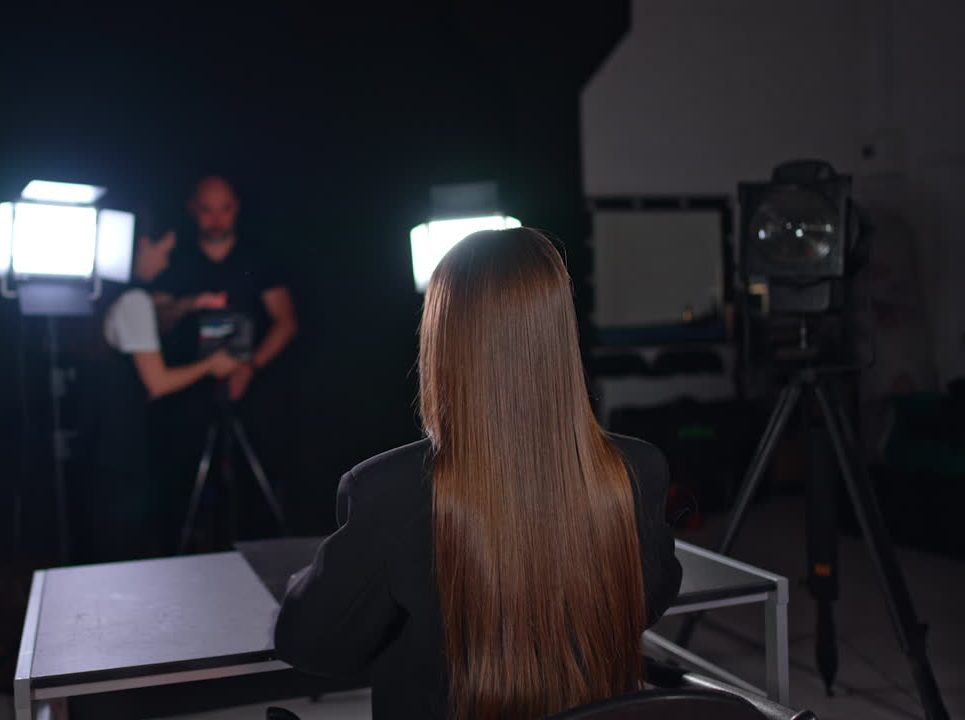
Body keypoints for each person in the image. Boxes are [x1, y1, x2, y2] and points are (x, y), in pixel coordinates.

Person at [273, 228, 683, 719]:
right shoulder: (637, 469)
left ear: (443, 338)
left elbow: (312, 646)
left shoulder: (388, 490)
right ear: (560, 331)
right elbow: (645, 603)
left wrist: (309, 579)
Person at [67, 210, 240, 564]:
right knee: (118, 534)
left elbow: (159, 308)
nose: (164, 264)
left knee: (100, 528)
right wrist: (212, 364)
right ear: (143, 245)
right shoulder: (134, 303)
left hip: (97, 435)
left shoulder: (106, 293)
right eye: (164, 252)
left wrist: (195, 303)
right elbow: (157, 381)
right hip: (120, 441)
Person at [150, 175, 298, 547]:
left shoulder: (258, 257)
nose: (216, 219)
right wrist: (188, 305)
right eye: (206, 210)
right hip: (186, 390)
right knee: (182, 481)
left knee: (259, 474)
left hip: (248, 388)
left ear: (237, 209)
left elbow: (286, 321)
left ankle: (265, 552)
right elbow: (152, 319)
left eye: (225, 209)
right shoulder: (174, 259)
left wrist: (250, 366)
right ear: (192, 210)